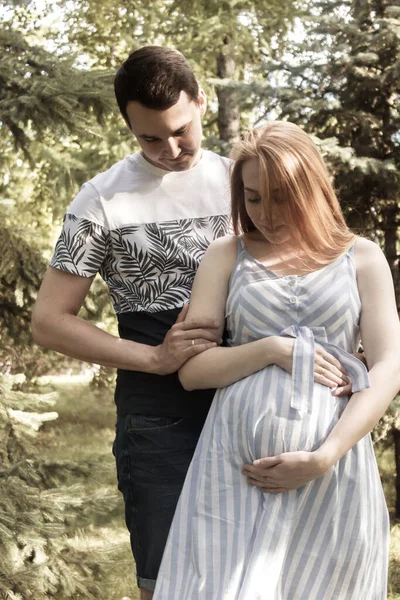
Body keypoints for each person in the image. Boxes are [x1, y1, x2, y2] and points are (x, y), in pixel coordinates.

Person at [31, 48, 349, 598]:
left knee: (264, 574)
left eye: (181, 130)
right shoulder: (101, 201)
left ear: (202, 101)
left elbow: (315, 267)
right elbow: (49, 322)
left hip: (259, 404)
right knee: (171, 580)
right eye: (150, 138)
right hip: (161, 418)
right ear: (129, 127)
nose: (170, 149)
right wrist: (154, 358)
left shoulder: (244, 183)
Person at [153, 121, 400, 600]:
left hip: (333, 468)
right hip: (235, 472)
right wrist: (273, 350)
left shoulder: (362, 257)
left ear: (311, 187)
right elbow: (193, 371)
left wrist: (323, 457)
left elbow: (389, 369)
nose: (266, 214)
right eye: (253, 198)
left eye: (280, 196)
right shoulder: (227, 255)